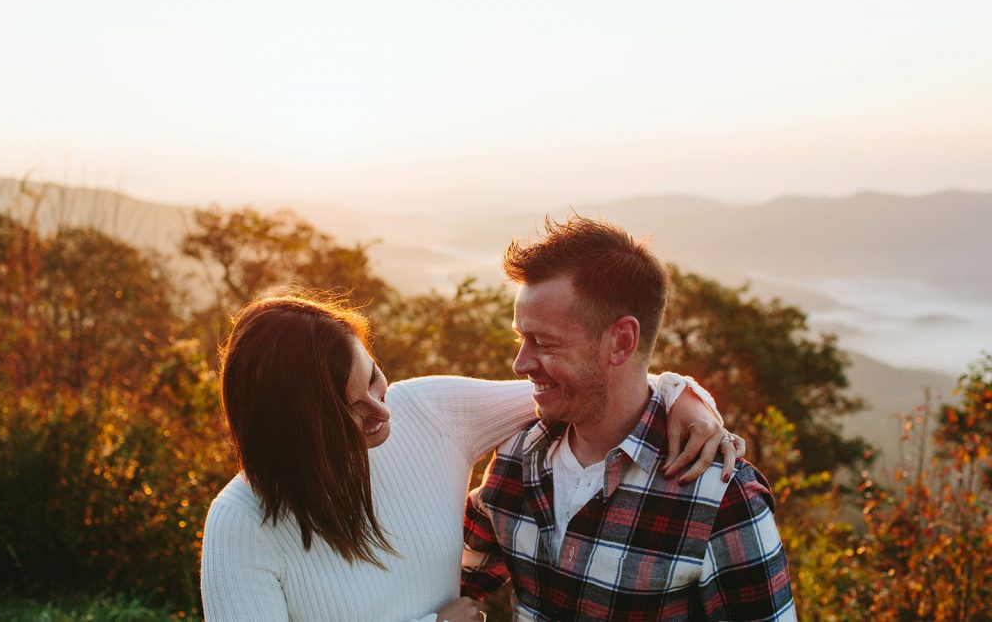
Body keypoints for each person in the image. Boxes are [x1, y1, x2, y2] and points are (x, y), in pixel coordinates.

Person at [200, 292, 742, 622]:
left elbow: (593, 386)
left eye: (374, 379)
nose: (382, 414)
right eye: (350, 413)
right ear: (295, 429)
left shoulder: (429, 410)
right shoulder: (241, 523)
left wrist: (683, 396)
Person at [462, 216, 795, 621]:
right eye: (521, 338)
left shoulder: (719, 496)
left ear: (621, 341)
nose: (520, 364)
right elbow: (452, 577)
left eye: (544, 343)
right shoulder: (517, 457)